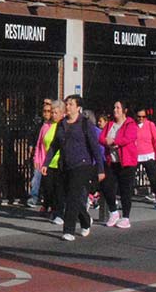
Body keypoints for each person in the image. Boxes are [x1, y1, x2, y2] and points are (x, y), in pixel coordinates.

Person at [46, 95, 103, 241]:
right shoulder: (62, 124)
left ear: (78, 107)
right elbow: (54, 145)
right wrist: (46, 163)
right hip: (65, 165)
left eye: (71, 104)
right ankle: (85, 220)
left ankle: (69, 230)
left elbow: (95, 147)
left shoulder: (85, 124)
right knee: (71, 196)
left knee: (73, 195)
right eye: (67, 104)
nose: (68, 106)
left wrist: (100, 168)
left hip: (82, 165)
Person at [99, 101, 138, 229]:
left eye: (118, 107)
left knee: (125, 189)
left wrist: (115, 141)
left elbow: (129, 138)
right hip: (112, 161)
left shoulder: (130, 124)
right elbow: (101, 138)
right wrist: (107, 141)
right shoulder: (110, 124)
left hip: (126, 162)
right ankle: (114, 212)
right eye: (114, 107)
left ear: (124, 110)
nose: (115, 110)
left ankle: (126, 217)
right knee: (106, 185)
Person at [133, 109, 156, 210]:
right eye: (139, 116)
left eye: (143, 117)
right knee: (129, 177)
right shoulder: (133, 125)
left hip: (149, 155)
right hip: (136, 155)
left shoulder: (150, 125)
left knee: (153, 178)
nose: (141, 119)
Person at [34, 102, 58, 215]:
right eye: (46, 111)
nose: (48, 114)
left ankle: (53, 207)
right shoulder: (44, 126)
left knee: (53, 187)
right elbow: (39, 144)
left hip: (56, 161)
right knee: (46, 186)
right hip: (44, 160)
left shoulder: (58, 125)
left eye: (50, 111)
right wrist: (36, 159)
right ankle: (47, 204)